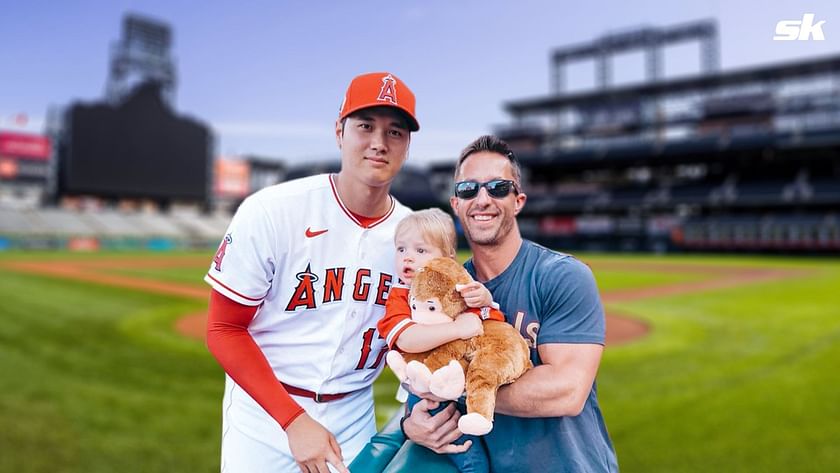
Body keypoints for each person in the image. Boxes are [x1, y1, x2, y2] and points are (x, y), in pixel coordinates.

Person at [204, 71, 419, 473]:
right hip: (264, 413)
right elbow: (223, 329)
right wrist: (293, 420)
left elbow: (416, 332)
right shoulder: (272, 210)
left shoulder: (413, 235)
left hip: (354, 413)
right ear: (339, 132)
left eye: (395, 132)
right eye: (365, 126)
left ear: (407, 146)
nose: (378, 142)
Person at [401, 135, 619, 472]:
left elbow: (567, 391)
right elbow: (419, 372)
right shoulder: (444, 288)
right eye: (468, 189)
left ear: (518, 201)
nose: (482, 199)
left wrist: (451, 388)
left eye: (498, 188)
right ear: (455, 204)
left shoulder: (561, 275)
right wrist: (409, 425)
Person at [376, 208, 503, 472]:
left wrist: (486, 300)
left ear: (447, 259)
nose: (407, 257)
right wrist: (458, 329)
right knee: (473, 461)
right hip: (427, 395)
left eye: (420, 251)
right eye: (401, 249)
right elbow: (408, 340)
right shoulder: (400, 295)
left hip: (458, 390)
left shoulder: (457, 287)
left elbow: (491, 322)